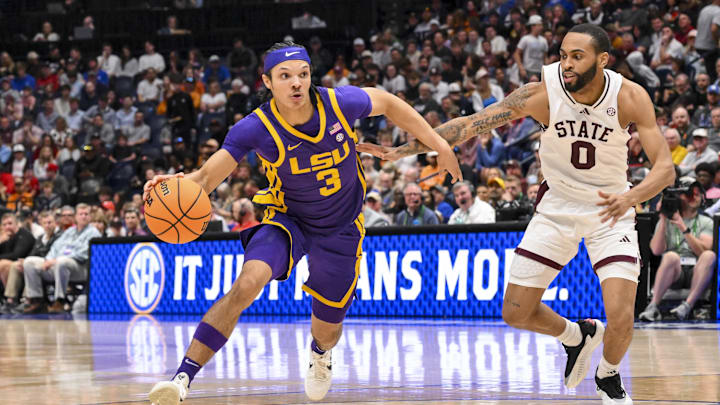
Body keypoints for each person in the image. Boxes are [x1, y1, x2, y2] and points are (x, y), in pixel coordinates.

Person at [359, 24, 675, 404]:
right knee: (515, 312)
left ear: (603, 59)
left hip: (611, 209)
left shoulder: (629, 96)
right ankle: (576, 336)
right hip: (557, 206)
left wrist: (631, 198)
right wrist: (406, 149)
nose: (567, 64)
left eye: (578, 56)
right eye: (563, 55)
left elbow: (665, 169)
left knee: (622, 315)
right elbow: (471, 124)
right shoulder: (543, 92)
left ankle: (608, 377)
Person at [146, 40, 461, 405]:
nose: (296, 83)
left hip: (342, 227)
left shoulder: (339, 103)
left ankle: (320, 354)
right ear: (267, 82)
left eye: (303, 74)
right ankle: (182, 378)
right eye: (285, 76)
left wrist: (440, 143)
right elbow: (203, 179)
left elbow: (388, 102)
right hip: (288, 220)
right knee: (247, 283)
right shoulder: (255, 128)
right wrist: (171, 186)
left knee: (327, 328)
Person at [639, 181, 715, 321]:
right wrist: (662, 218)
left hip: (697, 271)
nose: (695, 198)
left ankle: (686, 306)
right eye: (690, 195)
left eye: (698, 195)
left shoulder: (706, 222)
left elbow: (703, 251)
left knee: (709, 255)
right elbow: (656, 250)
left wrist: (682, 227)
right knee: (670, 256)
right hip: (675, 272)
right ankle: (653, 307)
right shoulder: (667, 221)